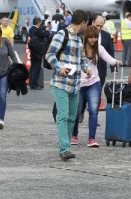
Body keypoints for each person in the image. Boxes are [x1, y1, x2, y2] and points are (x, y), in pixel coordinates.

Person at [45, 9, 91, 161]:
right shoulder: (61, 35)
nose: (87, 26)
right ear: (83, 22)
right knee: (63, 116)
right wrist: (59, 68)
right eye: (87, 23)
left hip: (75, 84)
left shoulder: (79, 38)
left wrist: (86, 68)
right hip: (60, 83)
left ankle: (67, 147)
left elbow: (82, 58)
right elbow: (50, 54)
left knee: (73, 118)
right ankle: (64, 149)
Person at [71, 25, 122, 147]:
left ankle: (92, 139)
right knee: (76, 111)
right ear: (86, 37)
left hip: (94, 82)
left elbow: (108, 58)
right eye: (91, 38)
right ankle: (74, 135)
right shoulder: (79, 47)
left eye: (95, 37)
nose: (93, 40)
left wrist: (116, 62)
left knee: (94, 111)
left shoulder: (99, 48)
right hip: (79, 83)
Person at [28, 17, 48, 90]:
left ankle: (31, 83)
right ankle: (34, 84)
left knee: (33, 67)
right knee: (36, 68)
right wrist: (46, 30)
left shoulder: (31, 29)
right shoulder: (38, 30)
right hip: (38, 51)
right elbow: (47, 34)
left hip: (33, 50)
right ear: (38, 23)